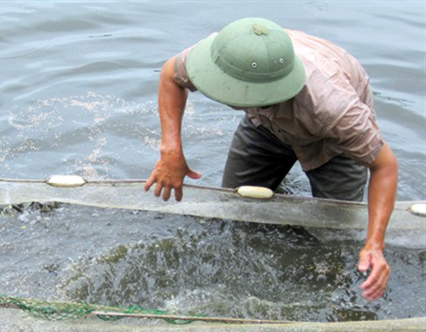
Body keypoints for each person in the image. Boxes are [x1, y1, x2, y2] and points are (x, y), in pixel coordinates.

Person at [144, 17, 398, 301]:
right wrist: (171, 151)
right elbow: (171, 74)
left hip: (333, 145)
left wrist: (375, 244)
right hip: (263, 126)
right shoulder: (224, 55)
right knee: (233, 211)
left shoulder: (336, 110)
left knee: (333, 240)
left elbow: (384, 165)